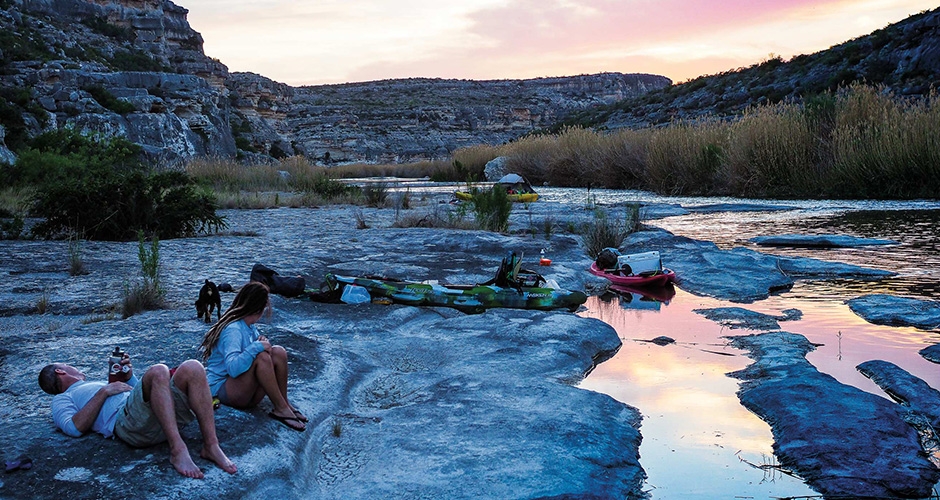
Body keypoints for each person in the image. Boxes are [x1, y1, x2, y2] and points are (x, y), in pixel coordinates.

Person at [38, 356, 236, 479]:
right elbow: (72, 428)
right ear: (60, 370)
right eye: (67, 364)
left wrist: (130, 377)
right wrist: (104, 391)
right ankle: (178, 449)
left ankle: (211, 445)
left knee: (193, 367)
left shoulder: (89, 386)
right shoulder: (62, 398)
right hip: (129, 425)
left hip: (150, 416)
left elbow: (151, 392)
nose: (73, 365)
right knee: (159, 370)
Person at [199, 282, 306, 431]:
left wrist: (263, 343)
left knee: (278, 352)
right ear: (258, 308)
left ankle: (284, 403)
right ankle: (281, 408)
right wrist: (256, 347)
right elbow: (233, 368)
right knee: (261, 357)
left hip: (243, 391)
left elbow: (261, 352)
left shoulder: (249, 327)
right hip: (223, 389)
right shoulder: (233, 329)